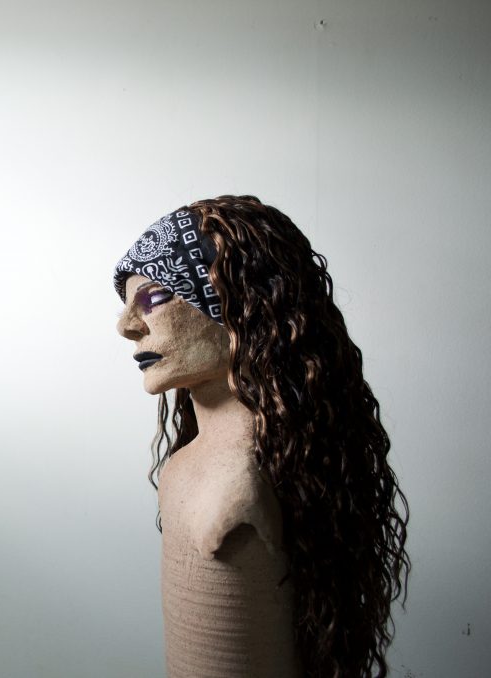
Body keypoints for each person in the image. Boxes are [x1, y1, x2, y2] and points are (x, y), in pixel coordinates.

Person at [114, 195, 409, 678]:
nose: (126, 326)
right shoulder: (190, 469)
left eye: (154, 298)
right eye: (127, 304)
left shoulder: (236, 490)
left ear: (240, 304)